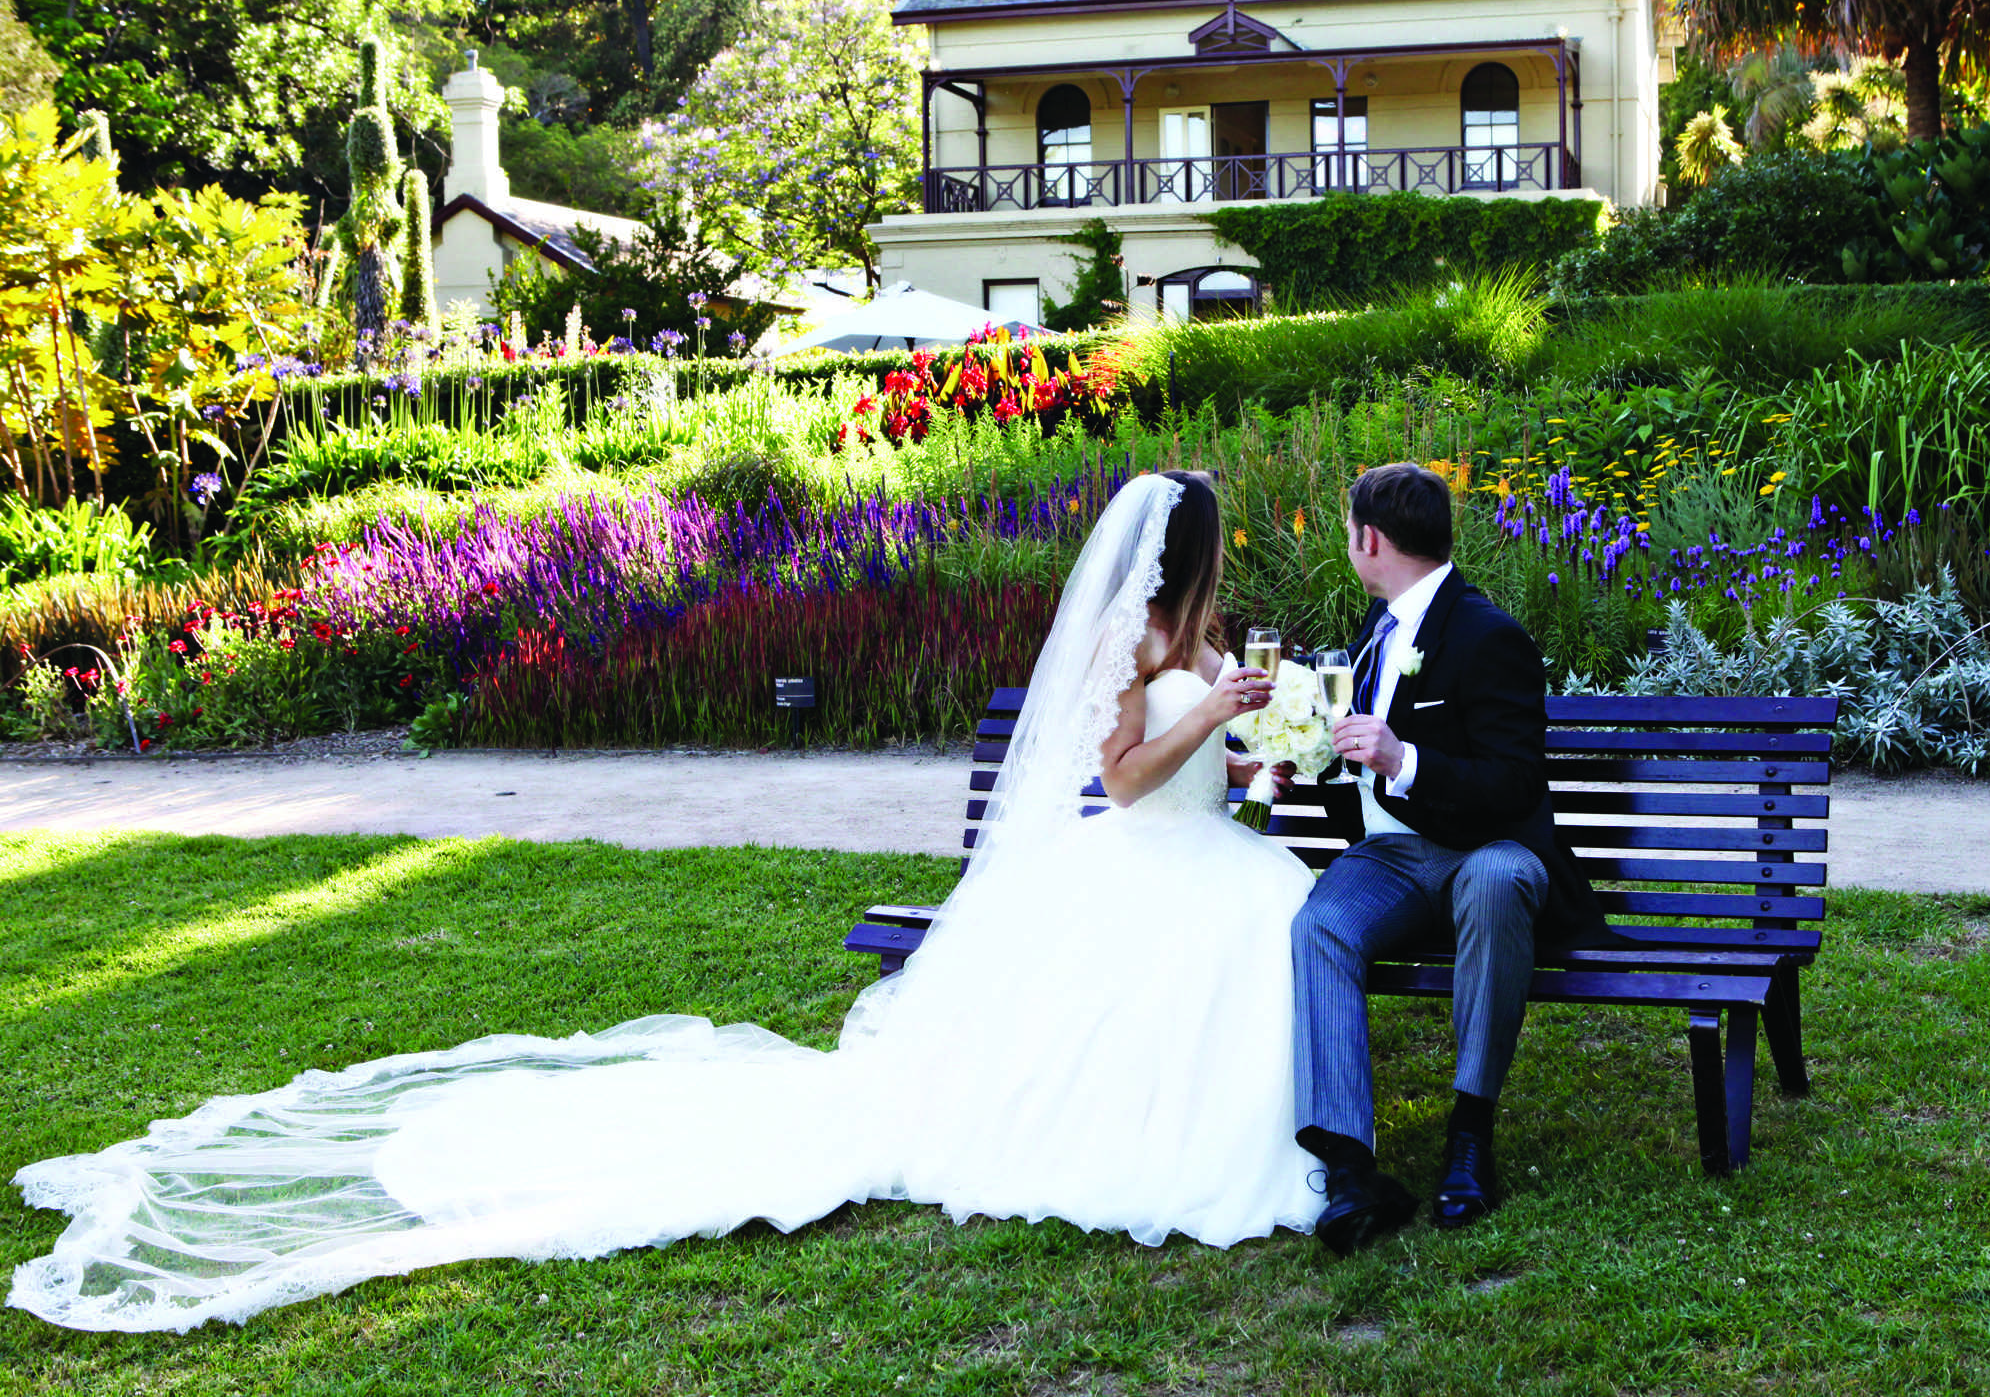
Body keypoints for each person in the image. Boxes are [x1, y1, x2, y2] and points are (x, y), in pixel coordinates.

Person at [8, 472, 1328, 1334]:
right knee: (1226, 935)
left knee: (1267, 915)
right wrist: (1201, 712)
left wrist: (1271, 734)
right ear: (1182, 553)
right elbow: (1114, 775)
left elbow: (1222, 763)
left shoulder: (1213, 635)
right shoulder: (1136, 645)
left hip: (1204, 849)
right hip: (1133, 854)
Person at [1294, 462, 1614, 1255]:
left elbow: (1515, 783)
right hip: (1394, 856)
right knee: (1319, 925)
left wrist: (1407, 759)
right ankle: (1348, 1167)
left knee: (1503, 879)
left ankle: (1470, 1135)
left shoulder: (1488, 634)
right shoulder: (1375, 628)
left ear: (1370, 539)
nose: (1347, 541)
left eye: (1347, 528)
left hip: (1487, 849)